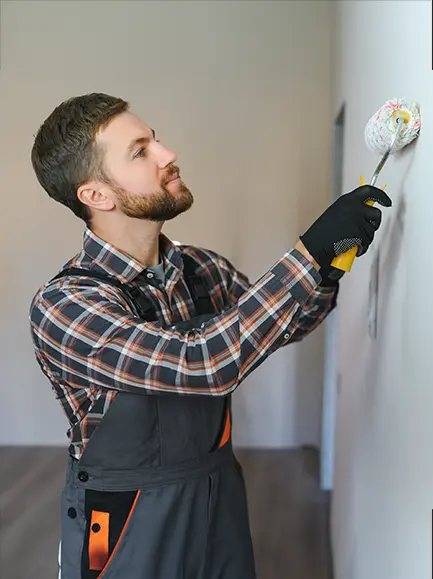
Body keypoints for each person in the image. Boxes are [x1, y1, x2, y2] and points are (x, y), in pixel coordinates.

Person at [28, 93, 391, 579]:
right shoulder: (66, 306)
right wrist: (309, 252)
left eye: (154, 140)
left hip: (218, 497)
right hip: (125, 522)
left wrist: (325, 270)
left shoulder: (200, 269)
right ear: (96, 195)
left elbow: (285, 325)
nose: (168, 154)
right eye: (141, 151)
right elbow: (203, 364)